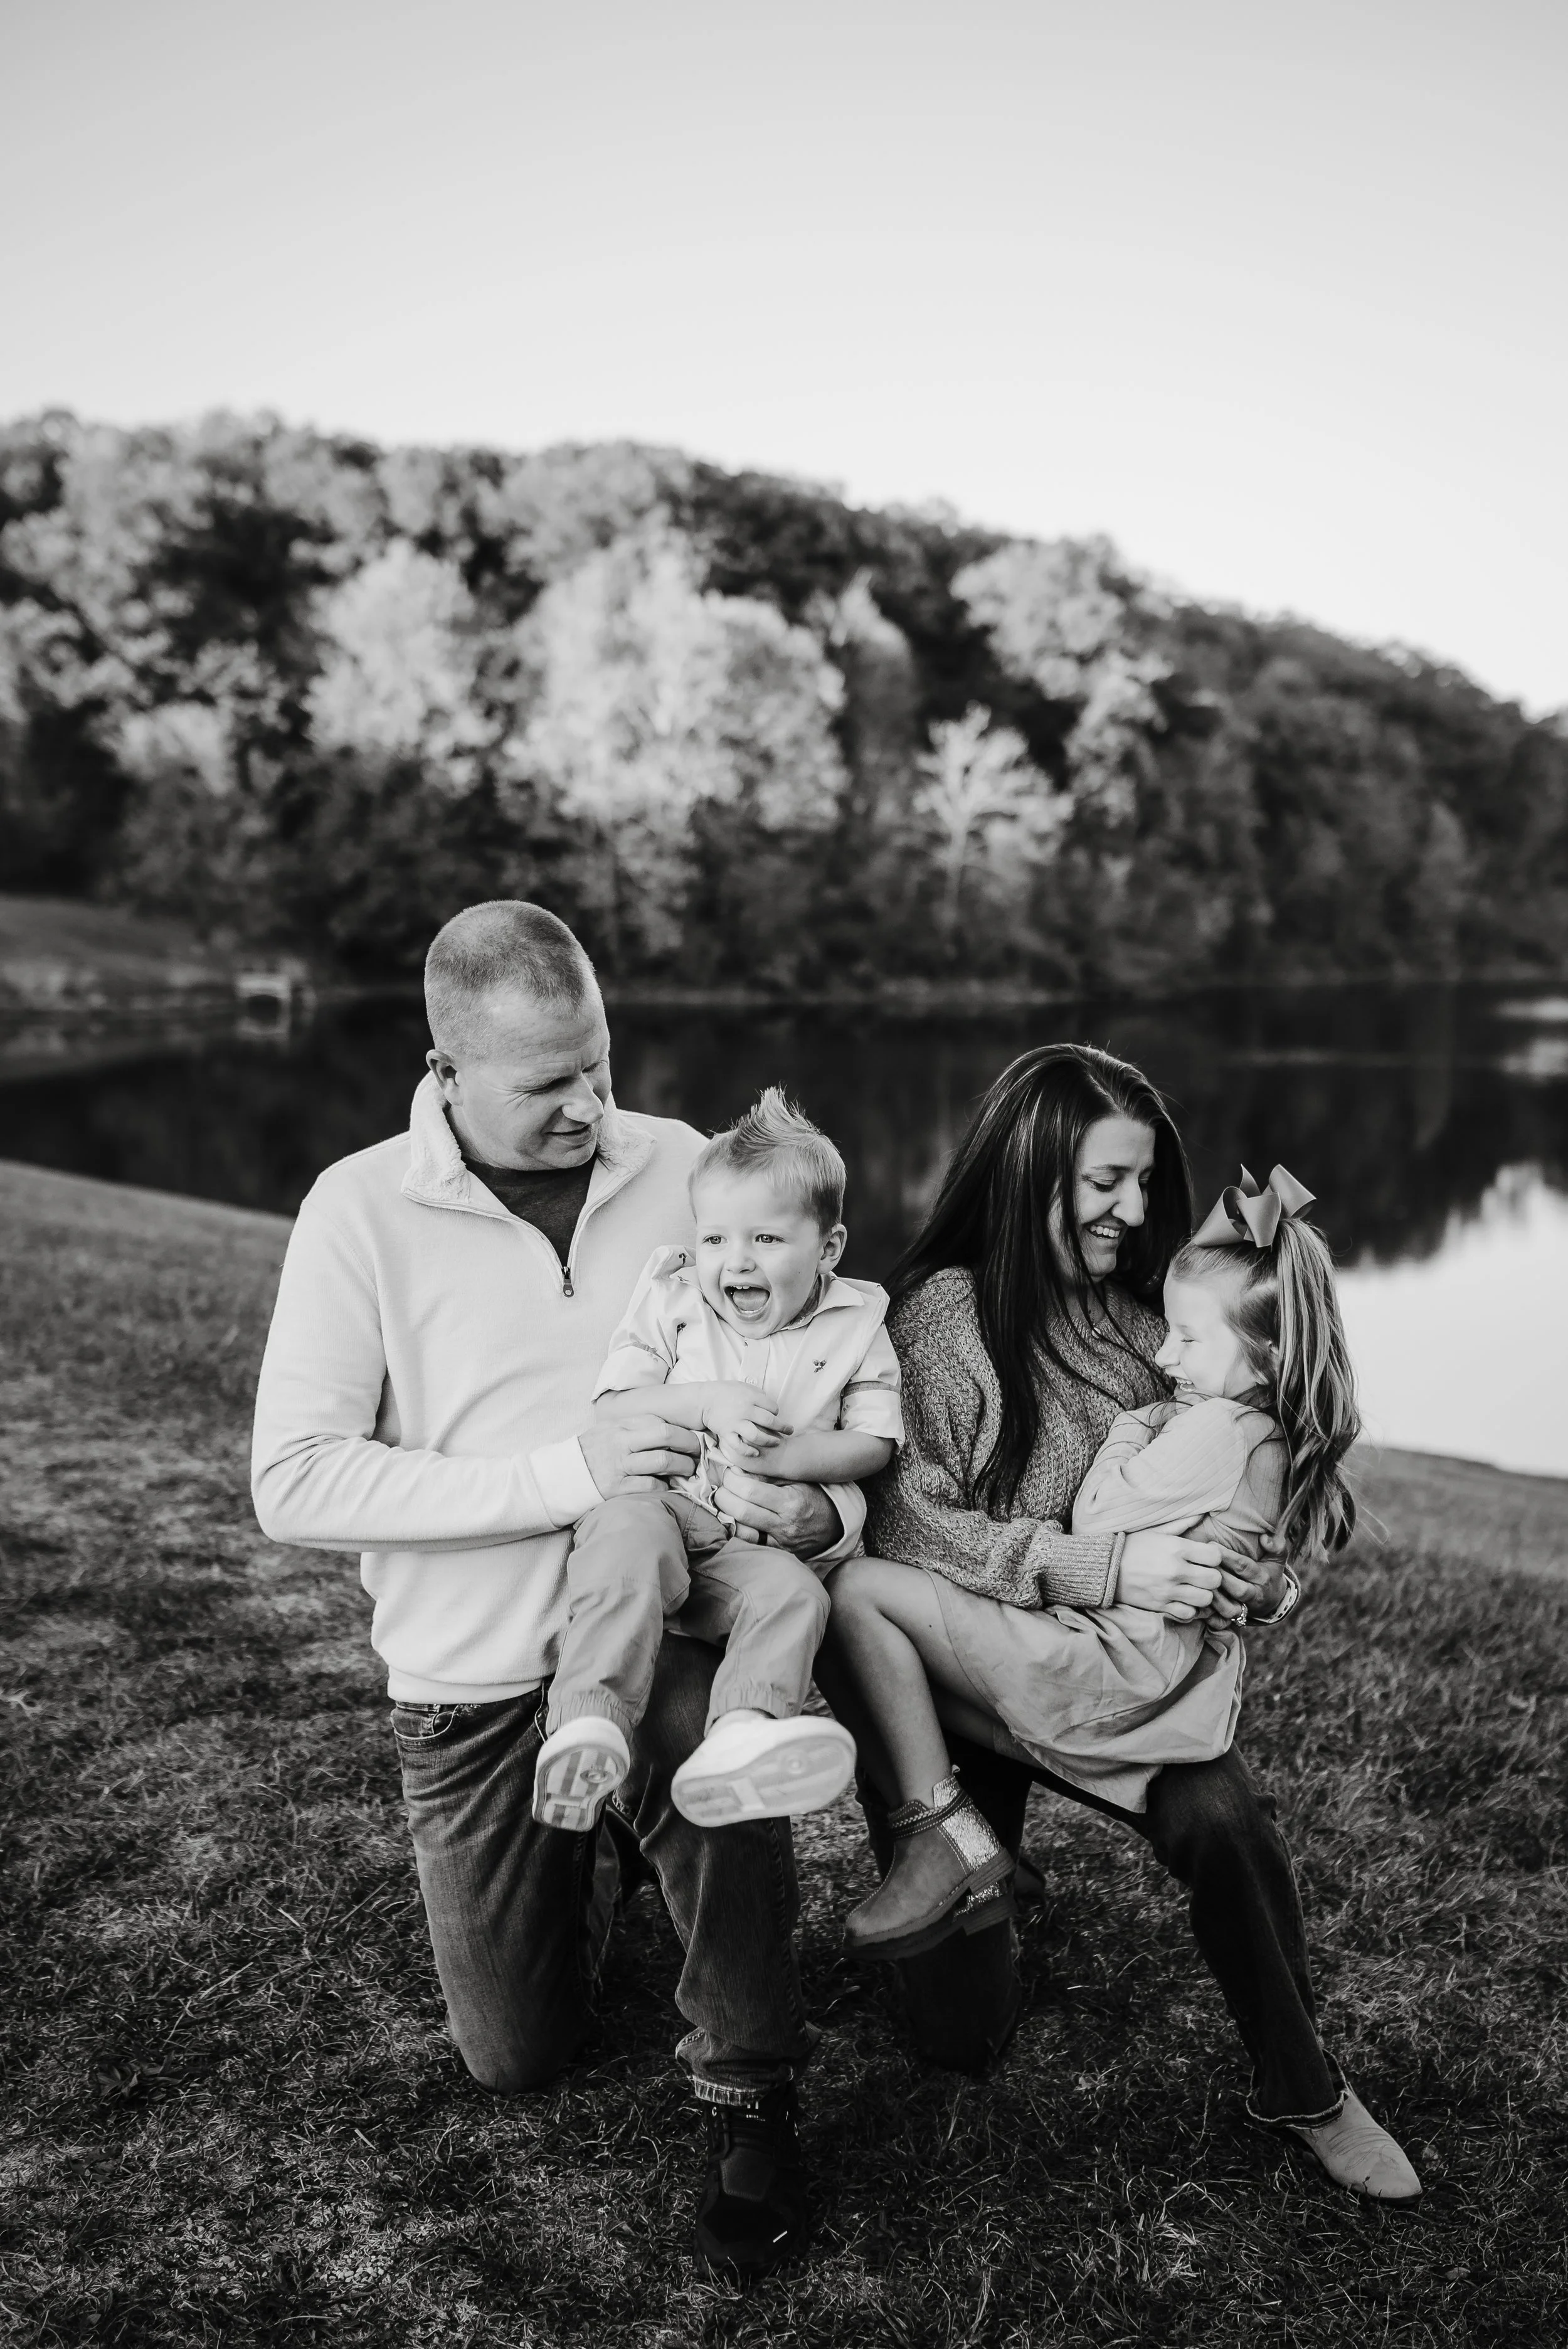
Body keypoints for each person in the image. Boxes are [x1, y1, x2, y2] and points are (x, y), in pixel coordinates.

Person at [251, 901, 864, 2277]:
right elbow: (291, 1481)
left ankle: (752, 2094)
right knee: (515, 2057)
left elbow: (808, 1358)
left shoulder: (689, 1169)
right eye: (548, 1084)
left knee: (721, 1746)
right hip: (469, 1678)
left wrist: (821, 1502)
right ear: (446, 1065)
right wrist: (562, 1472)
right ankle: (597, 1860)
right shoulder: (357, 1208)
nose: (591, 1105)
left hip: (670, 1615)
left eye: (599, 1064)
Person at [817, 1044, 1422, 2203]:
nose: (1132, 1210)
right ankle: (961, 1840)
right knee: (957, 2040)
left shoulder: (1156, 1319)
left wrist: (1262, 1587)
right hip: (961, 1682)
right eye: (1104, 1182)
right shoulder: (941, 1323)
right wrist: (1107, 1565)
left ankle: (1305, 2085)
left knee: (1225, 1815)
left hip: (1112, 1675)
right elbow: (904, 1532)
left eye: (1145, 1182)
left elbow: (1251, 1496)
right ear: (1027, 1167)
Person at [532, 1087, 901, 1833]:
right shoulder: (672, 1298)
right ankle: (587, 1725)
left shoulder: (859, 1323)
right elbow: (615, 1405)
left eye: (766, 1240)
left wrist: (794, 1455)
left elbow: (876, 1442)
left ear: (827, 1248)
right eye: (715, 1240)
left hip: (744, 1550)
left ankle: (739, 1736)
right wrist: (707, 1404)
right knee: (625, 1546)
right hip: (664, 1507)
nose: (735, 1263)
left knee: (798, 1597)